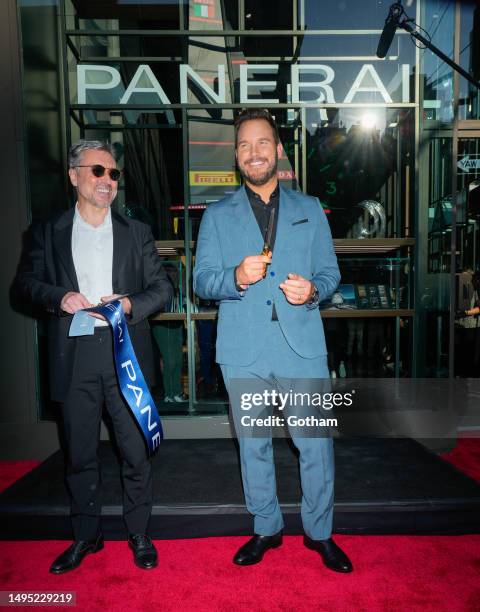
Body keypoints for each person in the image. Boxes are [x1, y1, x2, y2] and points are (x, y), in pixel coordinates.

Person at [193, 109, 352, 572]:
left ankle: (320, 533)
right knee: (253, 443)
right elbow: (202, 281)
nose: (254, 152)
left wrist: (315, 290)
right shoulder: (217, 216)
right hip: (243, 348)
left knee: (316, 443)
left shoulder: (309, 208)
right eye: (244, 145)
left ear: (278, 149)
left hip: (302, 343)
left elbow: (330, 272)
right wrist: (235, 277)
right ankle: (266, 527)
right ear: (236, 155)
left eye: (262, 143)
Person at [16, 140, 172, 573]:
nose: (107, 181)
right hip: (74, 355)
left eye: (114, 174)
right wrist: (59, 296)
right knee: (80, 454)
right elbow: (23, 285)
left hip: (125, 355)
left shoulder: (135, 232)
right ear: (74, 176)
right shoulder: (47, 232)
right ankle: (87, 536)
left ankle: (139, 532)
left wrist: (128, 305)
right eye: (98, 171)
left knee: (135, 451)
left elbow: (162, 289)